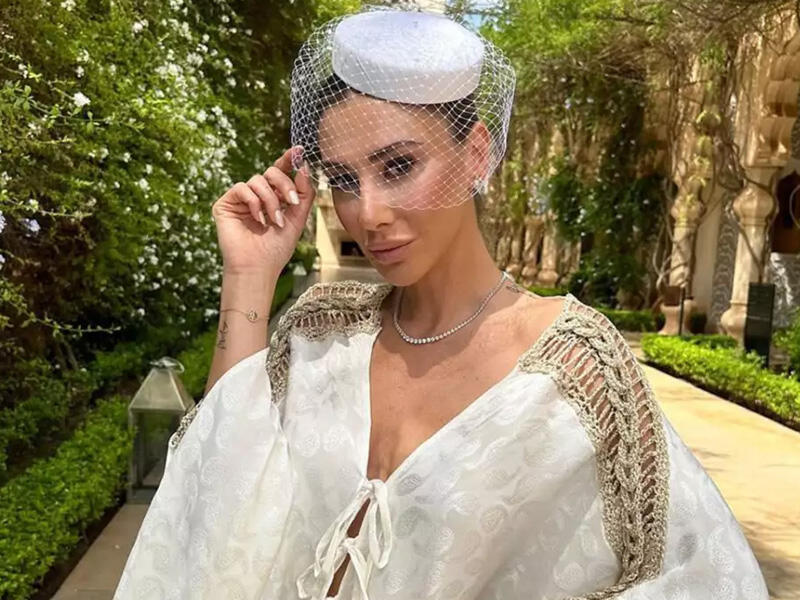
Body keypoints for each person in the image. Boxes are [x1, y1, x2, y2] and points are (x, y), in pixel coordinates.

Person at [113, 5, 770, 600]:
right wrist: (249, 275)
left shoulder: (573, 375)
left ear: (475, 154)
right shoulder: (321, 335)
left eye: (398, 166)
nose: (367, 213)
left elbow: (698, 576)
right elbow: (217, 489)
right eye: (344, 179)